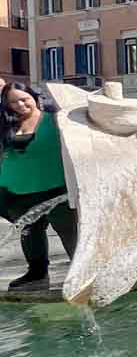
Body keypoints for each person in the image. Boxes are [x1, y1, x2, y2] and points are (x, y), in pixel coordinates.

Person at [0, 83, 78, 289]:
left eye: (23, 98)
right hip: (17, 190)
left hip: (55, 187)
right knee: (29, 234)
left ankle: (83, 273)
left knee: (70, 232)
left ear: (33, 96)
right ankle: (37, 275)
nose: (19, 104)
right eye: (13, 102)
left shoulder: (55, 120)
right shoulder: (6, 124)